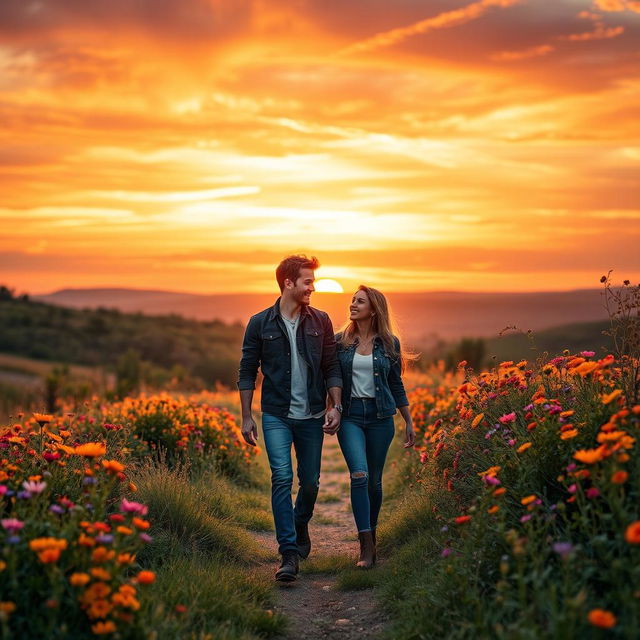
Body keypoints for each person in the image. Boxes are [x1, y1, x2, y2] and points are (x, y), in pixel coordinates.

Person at [237, 254, 343, 582]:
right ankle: (288, 553)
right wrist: (246, 418)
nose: (313, 287)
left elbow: (331, 366)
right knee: (281, 478)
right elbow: (246, 371)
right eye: (307, 282)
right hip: (276, 414)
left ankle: (300, 523)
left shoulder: (321, 321)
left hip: (312, 414)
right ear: (288, 283)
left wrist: (334, 406)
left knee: (309, 482)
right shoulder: (259, 323)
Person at [335, 285, 415, 569]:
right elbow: (330, 379)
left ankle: (373, 532)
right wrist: (330, 407)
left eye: (360, 302)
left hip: (381, 417)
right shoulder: (340, 342)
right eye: (352, 300)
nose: (353, 305)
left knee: (375, 482)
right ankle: (365, 546)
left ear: (374, 309)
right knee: (359, 475)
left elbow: (396, 384)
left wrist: (408, 419)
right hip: (351, 416)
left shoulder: (389, 343)